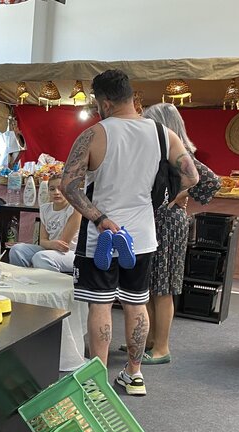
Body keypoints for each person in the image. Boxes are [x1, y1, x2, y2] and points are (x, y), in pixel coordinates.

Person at [60, 69, 199, 396]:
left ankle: (96, 380)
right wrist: (162, 200)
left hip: (102, 236)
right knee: (137, 303)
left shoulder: (94, 134)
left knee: (101, 305)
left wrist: (99, 218)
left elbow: (69, 185)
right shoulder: (164, 134)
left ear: (105, 102)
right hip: (142, 235)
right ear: (131, 97)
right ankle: (134, 375)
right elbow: (192, 177)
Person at [139, 103, 220, 365]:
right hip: (154, 223)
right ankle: (150, 340)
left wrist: (179, 195)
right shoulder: (161, 153)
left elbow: (211, 181)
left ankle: (162, 347)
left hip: (168, 225)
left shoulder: (180, 154)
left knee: (162, 288)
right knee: (150, 285)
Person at [8, 174, 83, 272]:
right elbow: (42, 241)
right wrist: (50, 244)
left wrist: (49, 244)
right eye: (52, 189)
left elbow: (63, 245)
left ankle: (49, 281)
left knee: (41, 257)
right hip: (50, 249)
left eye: (61, 189)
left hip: (70, 253)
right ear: (48, 191)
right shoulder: (45, 209)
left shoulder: (74, 210)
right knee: (16, 250)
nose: (56, 192)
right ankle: (22, 278)